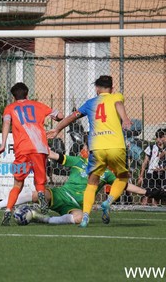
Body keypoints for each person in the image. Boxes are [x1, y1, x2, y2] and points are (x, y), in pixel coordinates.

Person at [0, 145, 164, 225]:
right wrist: (38, 147)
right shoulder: (78, 161)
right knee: (38, 193)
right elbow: (55, 156)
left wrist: (148, 191)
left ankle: (39, 218)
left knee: (78, 218)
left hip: (74, 206)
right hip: (61, 194)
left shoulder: (106, 173)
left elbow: (124, 186)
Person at [47, 75, 132, 227]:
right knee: (123, 176)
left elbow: (73, 117)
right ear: (112, 89)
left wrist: (57, 129)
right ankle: (108, 202)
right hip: (116, 146)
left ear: (97, 89)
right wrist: (125, 118)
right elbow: (119, 104)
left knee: (92, 182)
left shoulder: (90, 103)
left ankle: (85, 216)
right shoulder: (116, 96)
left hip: (97, 147)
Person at [0, 82, 63, 226]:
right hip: (40, 148)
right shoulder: (39, 105)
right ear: (27, 94)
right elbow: (60, 115)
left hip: (22, 150)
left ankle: (8, 210)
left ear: (13, 96)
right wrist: (56, 117)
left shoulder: (10, 108)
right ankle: (40, 195)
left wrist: (2, 145)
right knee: (40, 181)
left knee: (17, 184)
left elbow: (6, 124)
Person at [138, 128, 166, 205]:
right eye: (157, 137)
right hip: (151, 174)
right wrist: (141, 176)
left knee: (156, 197)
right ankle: (142, 210)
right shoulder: (151, 147)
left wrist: (163, 168)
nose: (159, 139)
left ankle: (154, 213)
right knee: (146, 195)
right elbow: (145, 162)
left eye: (161, 137)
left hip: (162, 175)